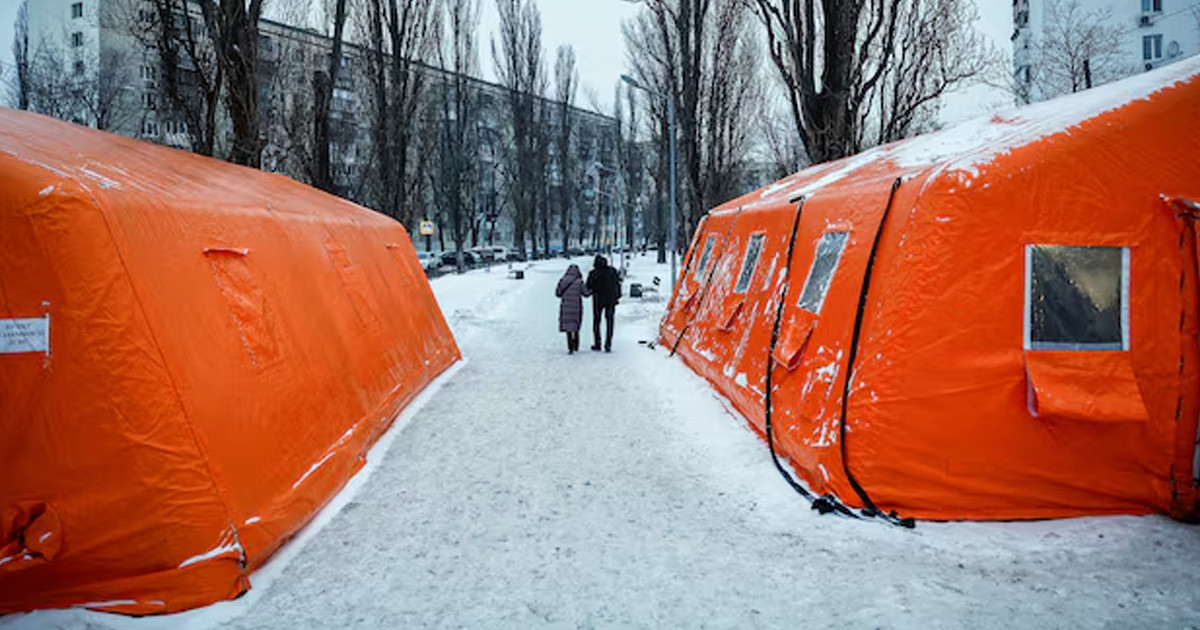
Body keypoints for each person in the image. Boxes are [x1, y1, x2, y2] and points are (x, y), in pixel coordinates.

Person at [585, 255, 621, 352]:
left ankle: (598, 343)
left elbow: (588, 286)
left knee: (597, 322)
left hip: (598, 300)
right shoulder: (613, 271)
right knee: (610, 322)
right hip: (611, 300)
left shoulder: (593, 273)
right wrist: (617, 296)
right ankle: (608, 344)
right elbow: (618, 284)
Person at [555, 264, 588, 354]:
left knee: (568, 327)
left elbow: (558, 293)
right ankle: (576, 345)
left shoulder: (562, 281)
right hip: (576, 306)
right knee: (575, 325)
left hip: (565, 306)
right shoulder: (579, 282)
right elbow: (586, 294)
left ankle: (570, 346)